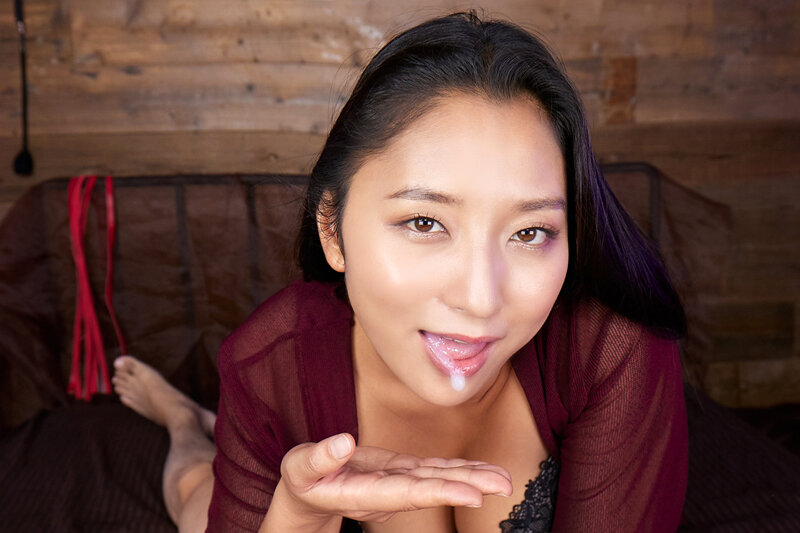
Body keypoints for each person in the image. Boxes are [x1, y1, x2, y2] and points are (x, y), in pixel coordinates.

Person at [113, 11, 688, 533]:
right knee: (193, 494)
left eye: (529, 232)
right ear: (332, 231)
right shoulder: (268, 366)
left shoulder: (610, 350)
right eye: (423, 223)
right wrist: (299, 517)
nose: (481, 299)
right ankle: (183, 423)